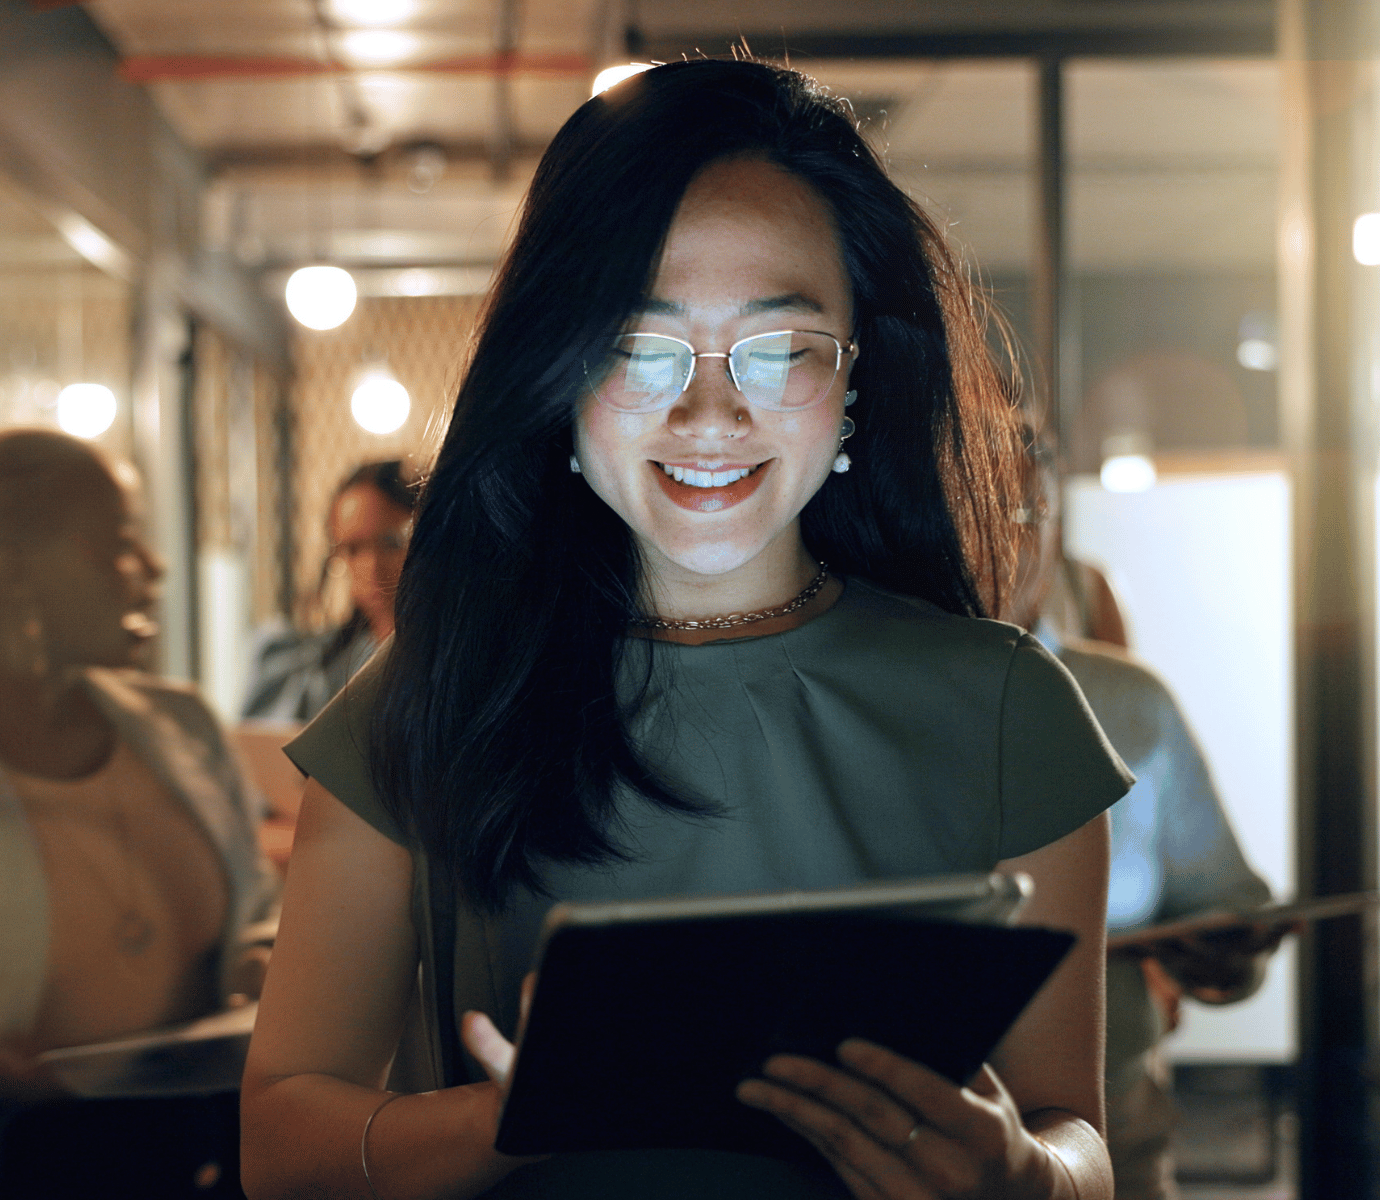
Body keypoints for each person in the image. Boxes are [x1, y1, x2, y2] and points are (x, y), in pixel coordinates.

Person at [241, 59, 1133, 1200]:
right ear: (557, 367)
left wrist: (1026, 1176)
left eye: (779, 348)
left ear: (859, 371)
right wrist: (505, 1124)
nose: (710, 414)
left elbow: (1078, 1139)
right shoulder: (431, 696)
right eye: (637, 346)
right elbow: (281, 1142)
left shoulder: (1010, 710)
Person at [0, 428, 278, 1189]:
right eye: (116, 544)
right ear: (12, 567)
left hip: (209, 1143)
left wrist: (260, 955)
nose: (152, 570)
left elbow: (258, 904)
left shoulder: (181, 724)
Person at [1007, 433, 1278, 1200]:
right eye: (973, 507)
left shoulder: (1130, 703)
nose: (1005, 536)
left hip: (1113, 1123)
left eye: (1028, 509)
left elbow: (1222, 900)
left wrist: (1225, 949)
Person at [242, 460, 417, 723]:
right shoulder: (311, 667)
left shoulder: (452, 659)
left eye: (391, 542)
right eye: (354, 549)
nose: (372, 567)